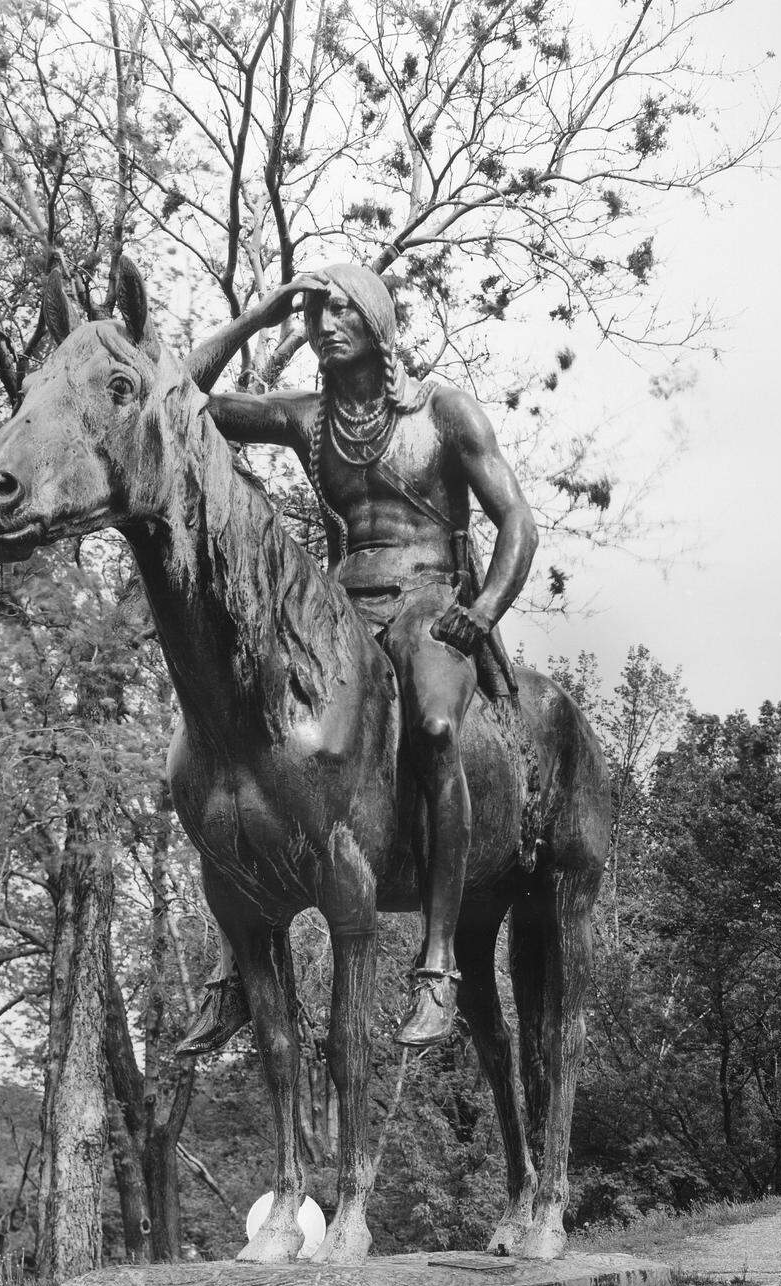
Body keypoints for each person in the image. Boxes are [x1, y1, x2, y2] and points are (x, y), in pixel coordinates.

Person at [175, 263, 537, 1052]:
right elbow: (180, 399)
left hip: (431, 599)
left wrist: (482, 612)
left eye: (339, 309)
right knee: (244, 733)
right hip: (339, 605)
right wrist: (258, 314)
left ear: (375, 322)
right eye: (312, 314)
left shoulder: (443, 412)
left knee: (437, 724)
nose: (321, 323)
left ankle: (439, 968)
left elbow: (517, 522)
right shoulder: (307, 416)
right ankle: (237, 971)